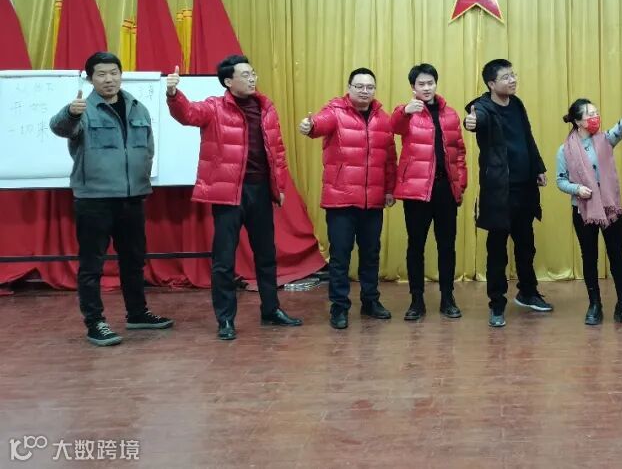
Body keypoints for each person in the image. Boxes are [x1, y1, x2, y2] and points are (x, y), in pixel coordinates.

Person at [167, 55, 302, 340]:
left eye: (253, 73)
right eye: (245, 75)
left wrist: (279, 187)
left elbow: (277, 151)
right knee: (224, 259)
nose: (252, 79)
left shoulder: (266, 108)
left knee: (266, 255)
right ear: (228, 81)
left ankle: (271, 309)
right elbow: (188, 114)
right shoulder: (214, 107)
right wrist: (173, 94)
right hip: (229, 194)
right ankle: (226, 319)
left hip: (260, 191)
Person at [49, 52, 173, 346]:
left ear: (121, 75)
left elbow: (148, 148)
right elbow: (60, 127)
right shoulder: (83, 109)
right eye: (102, 74)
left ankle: (137, 313)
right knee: (92, 265)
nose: (109, 79)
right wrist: (71, 112)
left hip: (132, 198)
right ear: (90, 78)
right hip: (95, 200)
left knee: (134, 261)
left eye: (114, 73)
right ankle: (95, 322)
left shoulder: (137, 107)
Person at [300, 67, 397, 329]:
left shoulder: (383, 119)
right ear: (349, 88)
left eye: (369, 87)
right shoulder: (335, 111)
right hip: (341, 200)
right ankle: (339, 307)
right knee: (340, 256)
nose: (365, 91)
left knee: (371, 255)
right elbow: (320, 123)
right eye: (359, 86)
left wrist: (390, 189)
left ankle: (370, 301)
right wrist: (310, 126)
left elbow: (390, 158)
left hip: (373, 200)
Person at [463, 59, 551, 328]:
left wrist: (538, 167)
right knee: (497, 250)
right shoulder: (483, 108)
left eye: (513, 75)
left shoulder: (517, 104)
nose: (512, 80)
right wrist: (471, 121)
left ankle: (528, 292)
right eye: (506, 77)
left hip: (525, 187)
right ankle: (497, 303)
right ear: (491, 84)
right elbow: (475, 118)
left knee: (526, 245)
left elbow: (528, 137)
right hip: (499, 191)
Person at [390, 63, 468, 322]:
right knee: (416, 246)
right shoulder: (407, 112)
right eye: (421, 84)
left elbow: (459, 152)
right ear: (413, 87)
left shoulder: (450, 114)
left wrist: (460, 184)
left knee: (447, 246)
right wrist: (405, 111)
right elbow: (393, 126)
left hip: (445, 190)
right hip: (416, 191)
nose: (426, 88)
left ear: (436, 84)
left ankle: (448, 298)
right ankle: (416, 301)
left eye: (430, 83)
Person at [555, 99, 622, 327]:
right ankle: (595, 304)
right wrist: (577, 189)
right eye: (590, 114)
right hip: (584, 211)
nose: (595, 117)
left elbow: (617, 132)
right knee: (589, 256)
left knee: (616, 255)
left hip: (610, 208)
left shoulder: (604, 140)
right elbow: (560, 181)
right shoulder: (565, 150)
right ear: (578, 121)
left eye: (596, 112)